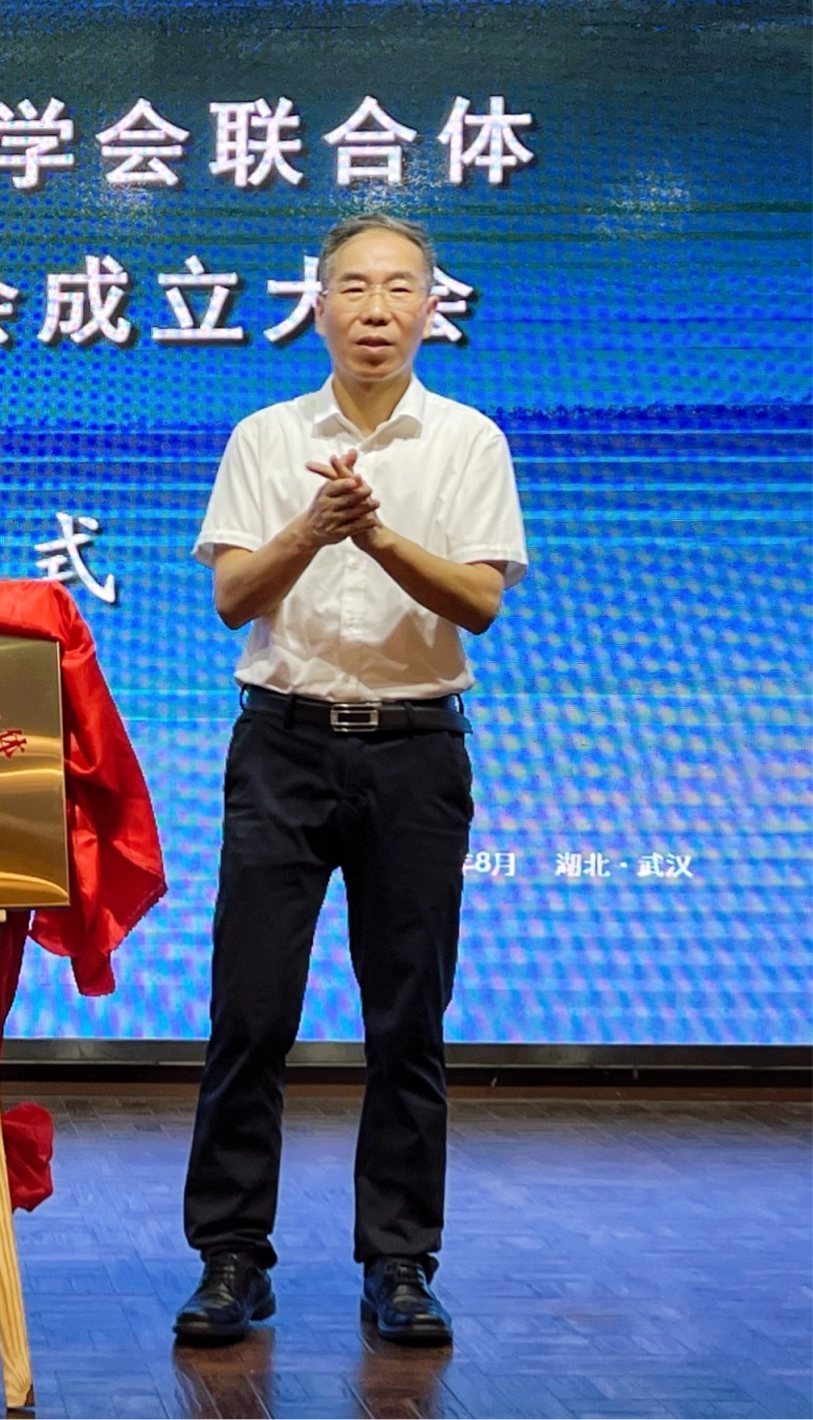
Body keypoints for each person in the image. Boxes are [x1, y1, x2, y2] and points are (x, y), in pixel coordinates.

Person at [176, 213, 527, 1347]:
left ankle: (401, 1264)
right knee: (250, 1011)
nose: (377, 310)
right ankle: (232, 1257)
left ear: (432, 306)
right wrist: (314, 527)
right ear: (316, 305)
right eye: (355, 288)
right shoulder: (266, 435)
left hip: (417, 752)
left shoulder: (468, 440)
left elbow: (479, 601)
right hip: (281, 744)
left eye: (400, 288)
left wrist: (374, 538)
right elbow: (234, 596)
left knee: (407, 1019)